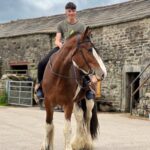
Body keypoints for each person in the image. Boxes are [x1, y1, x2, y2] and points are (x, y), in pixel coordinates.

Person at [35, 2, 97, 102]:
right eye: (69, 11)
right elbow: (57, 40)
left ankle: (88, 89)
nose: (71, 13)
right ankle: (40, 87)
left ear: (75, 12)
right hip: (62, 49)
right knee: (42, 63)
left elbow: (85, 41)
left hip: (77, 51)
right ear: (66, 12)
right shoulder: (61, 25)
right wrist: (61, 46)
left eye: (73, 11)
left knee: (83, 64)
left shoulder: (81, 26)